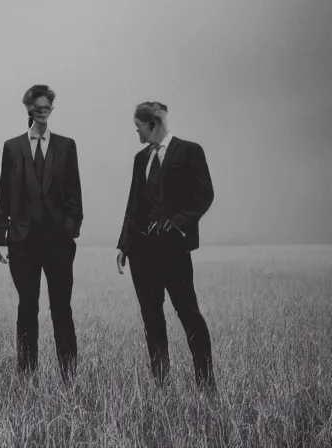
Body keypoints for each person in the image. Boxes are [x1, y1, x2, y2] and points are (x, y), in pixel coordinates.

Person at [116, 101, 216, 391]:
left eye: (139, 128)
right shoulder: (140, 159)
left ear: (153, 125)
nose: (137, 135)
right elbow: (133, 204)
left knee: (189, 315)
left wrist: (177, 223)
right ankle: (162, 386)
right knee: (152, 319)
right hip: (142, 254)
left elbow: (204, 196)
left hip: (174, 251)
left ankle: (206, 384)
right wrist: (124, 245)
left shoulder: (189, 151)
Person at [0, 85, 83, 382]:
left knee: (61, 310)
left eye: (48, 107)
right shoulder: (12, 147)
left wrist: (69, 231)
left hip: (58, 244)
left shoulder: (66, 145)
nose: (44, 112)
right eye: (39, 108)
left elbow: (74, 195)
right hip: (22, 243)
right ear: (29, 109)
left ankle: (69, 375)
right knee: (27, 309)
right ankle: (27, 376)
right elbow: (5, 193)